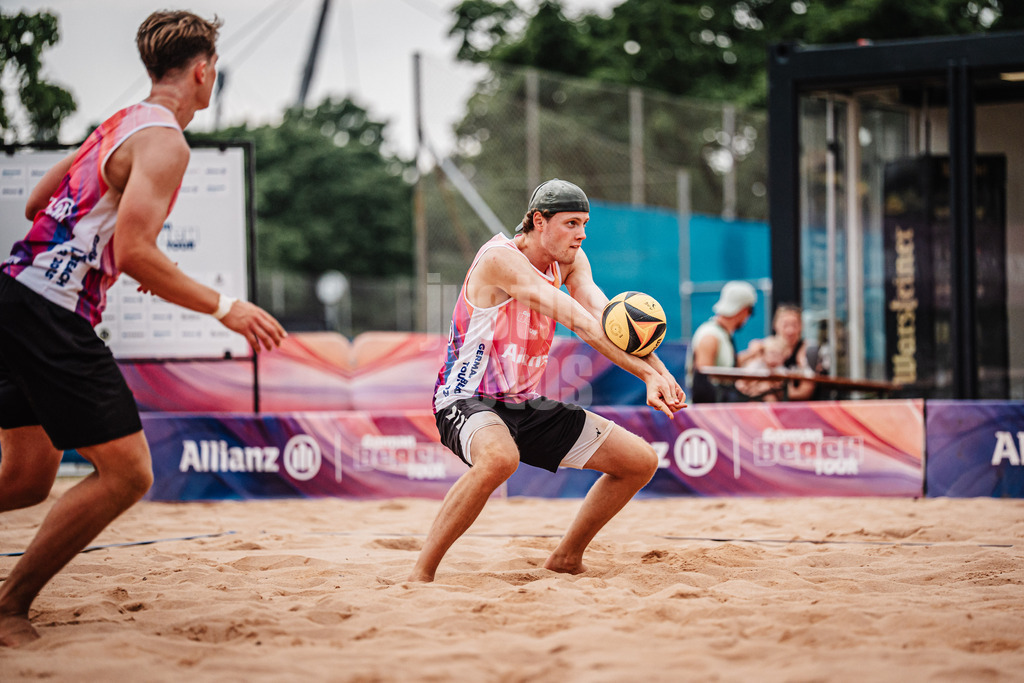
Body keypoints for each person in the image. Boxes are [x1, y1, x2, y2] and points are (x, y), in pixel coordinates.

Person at [0, 11, 287, 647]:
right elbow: (133, 252)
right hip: (51, 309)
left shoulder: (120, 122)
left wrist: (107, 243)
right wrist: (225, 308)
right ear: (204, 71)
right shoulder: (166, 141)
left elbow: (34, 204)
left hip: (14, 294)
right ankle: (9, 606)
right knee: (128, 475)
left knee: (26, 480)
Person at [407, 178, 686, 583]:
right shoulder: (498, 260)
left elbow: (609, 318)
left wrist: (661, 373)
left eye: (584, 223)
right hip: (465, 399)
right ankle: (421, 573)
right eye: (571, 223)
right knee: (500, 459)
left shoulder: (572, 261)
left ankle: (566, 558)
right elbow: (581, 323)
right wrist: (645, 375)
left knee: (639, 462)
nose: (582, 234)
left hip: (524, 403)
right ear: (539, 221)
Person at [684, 280, 760, 403]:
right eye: (750, 311)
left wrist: (752, 353)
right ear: (743, 310)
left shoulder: (721, 334)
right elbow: (704, 379)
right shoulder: (710, 336)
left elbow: (725, 366)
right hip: (714, 409)